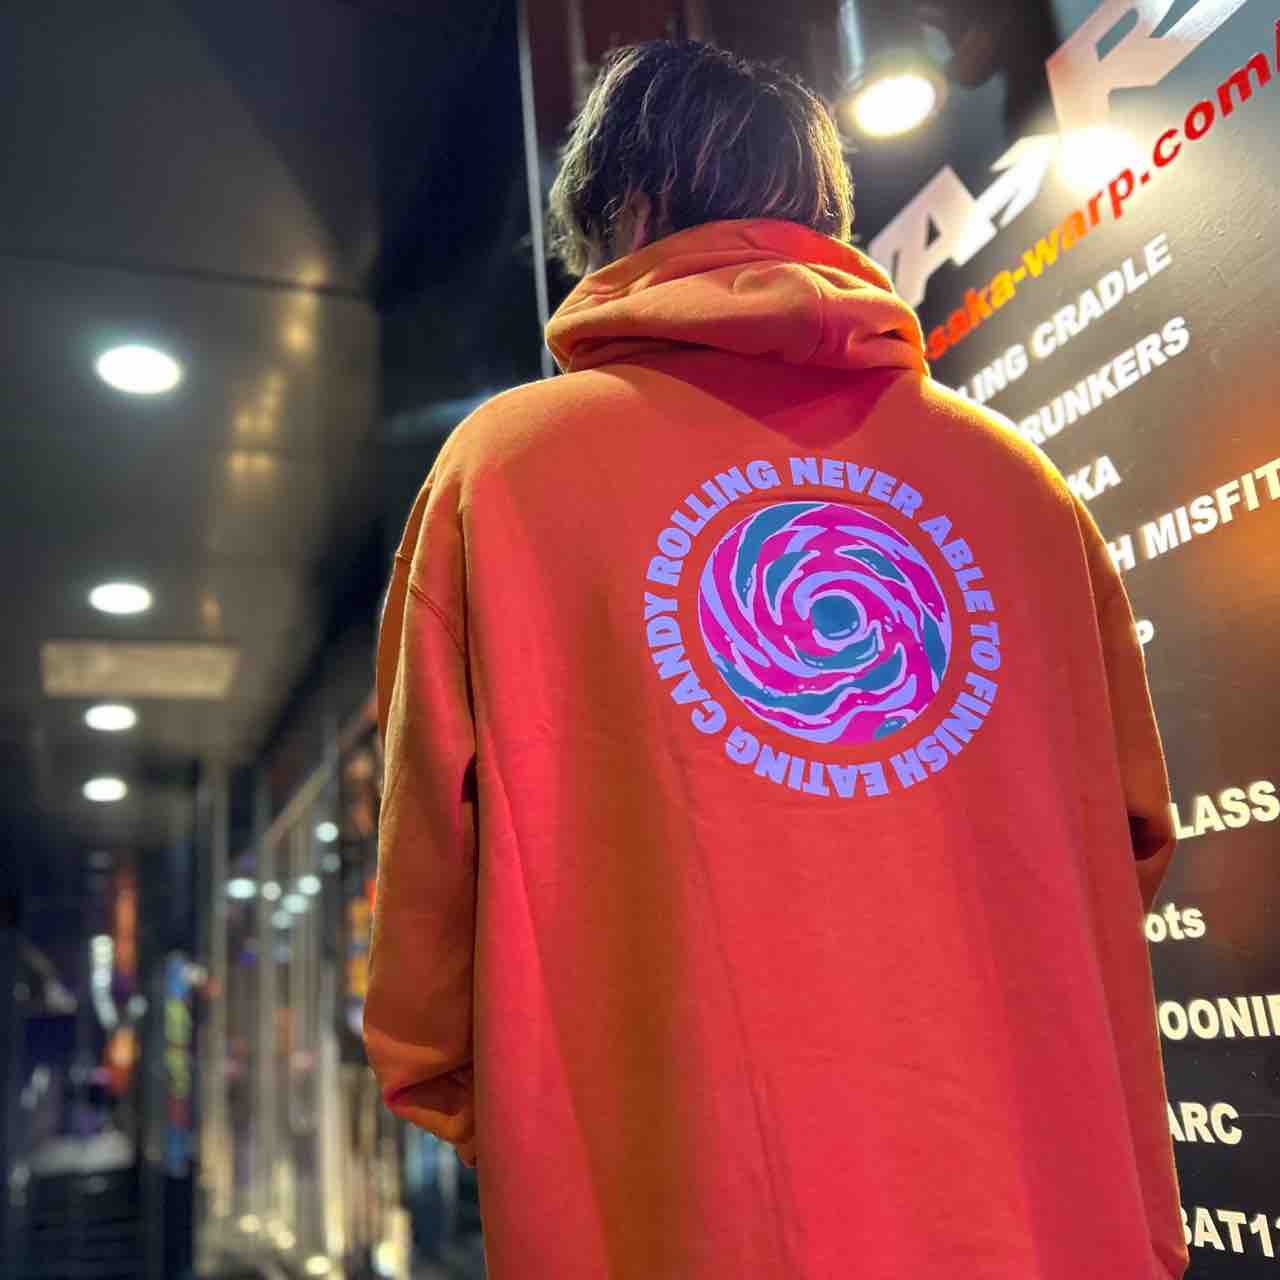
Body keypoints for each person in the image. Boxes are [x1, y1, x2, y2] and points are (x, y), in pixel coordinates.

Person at [364, 39, 1187, 1280]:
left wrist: (535, 1118)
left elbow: (428, 891)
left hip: (683, 1203)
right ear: (823, 215)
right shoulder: (1019, 487)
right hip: (1038, 1205)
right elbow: (1133, 838)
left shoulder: (507, 471)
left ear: (622, 211)